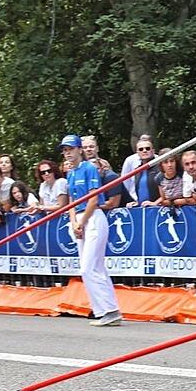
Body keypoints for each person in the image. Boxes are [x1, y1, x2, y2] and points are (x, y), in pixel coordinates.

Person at [62, 134, 122, 327]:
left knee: (89, 267)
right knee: (95, 268)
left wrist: (83, 221)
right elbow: (72, 201)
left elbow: (93, 199)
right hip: (79, 218)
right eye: (65, 150)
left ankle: (109, 310)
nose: (67, 153)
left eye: (70, 148)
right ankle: (104, 311)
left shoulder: (89, 169)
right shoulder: (70, 173)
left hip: (93, 217)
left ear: (80, 149)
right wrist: (74, 222)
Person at [122, 135, 157, 202]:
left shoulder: (160, 167)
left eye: (147, 148)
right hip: (141, 207)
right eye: (141, 149)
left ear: (153, 151)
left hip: (158, 207)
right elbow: (126, 182)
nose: (144, 151)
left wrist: (155, 203)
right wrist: (135, 202)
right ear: (137, 153)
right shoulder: (137, 170)